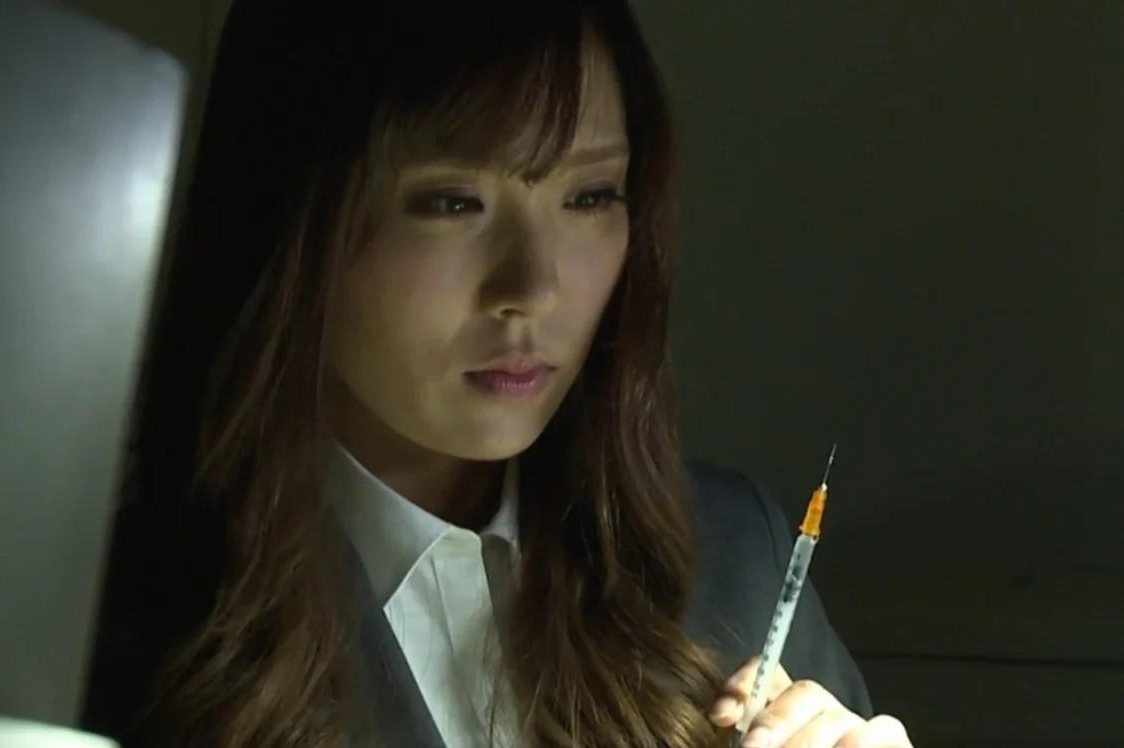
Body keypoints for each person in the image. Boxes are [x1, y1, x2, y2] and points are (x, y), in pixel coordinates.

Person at [82, 1, 913, 747]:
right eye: (452, 202)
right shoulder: (109, 635)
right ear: (291, 215)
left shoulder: (734, 557)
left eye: (590, 196)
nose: (533, 287)